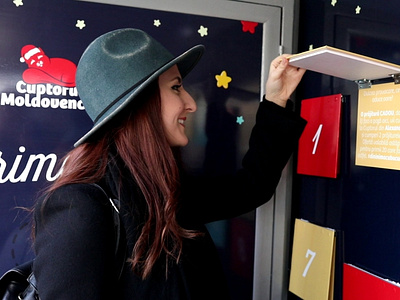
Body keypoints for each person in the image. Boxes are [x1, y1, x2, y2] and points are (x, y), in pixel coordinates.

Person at [32, 28, 306, 299]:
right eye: (176, 87)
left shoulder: (164, 188)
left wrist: (277, 100)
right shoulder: (78, 207)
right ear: (139, 105)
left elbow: (251, 187)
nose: (191, 104)